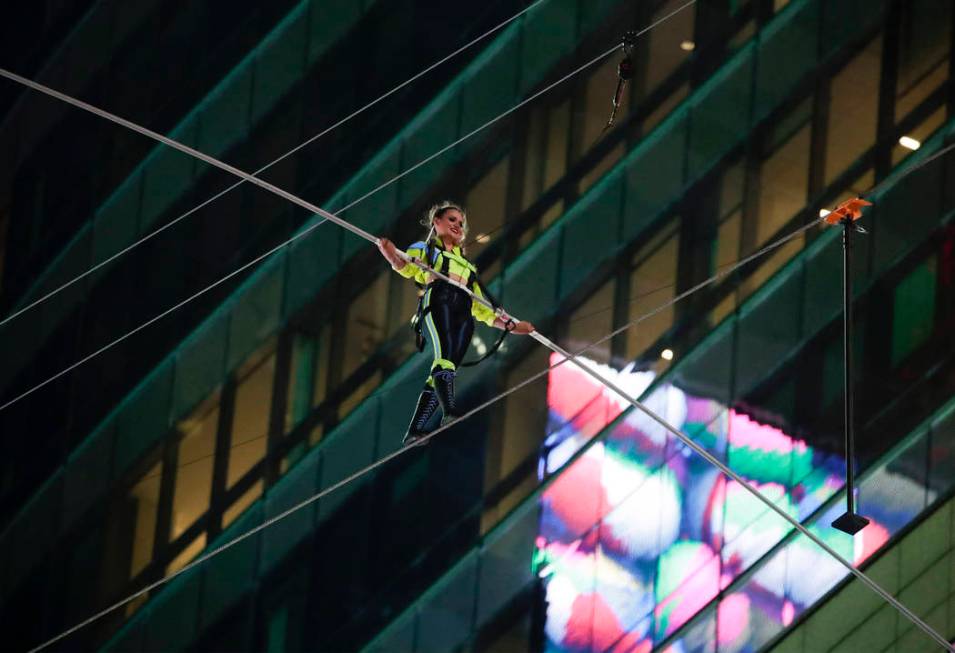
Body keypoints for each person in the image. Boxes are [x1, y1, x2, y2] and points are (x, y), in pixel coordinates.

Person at [377, 201, 535, 446]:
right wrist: (390, 253)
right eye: (452, 220)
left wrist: (514, 327)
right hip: (439, 301)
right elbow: (404, 266)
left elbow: (483, 309)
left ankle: (416, 430)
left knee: (446, 365)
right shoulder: (425, 250)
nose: (458, 225)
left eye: (461, 223)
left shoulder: (468, 266)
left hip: (464, 314)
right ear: (436, 222)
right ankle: (449, 411)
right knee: (444, 359)